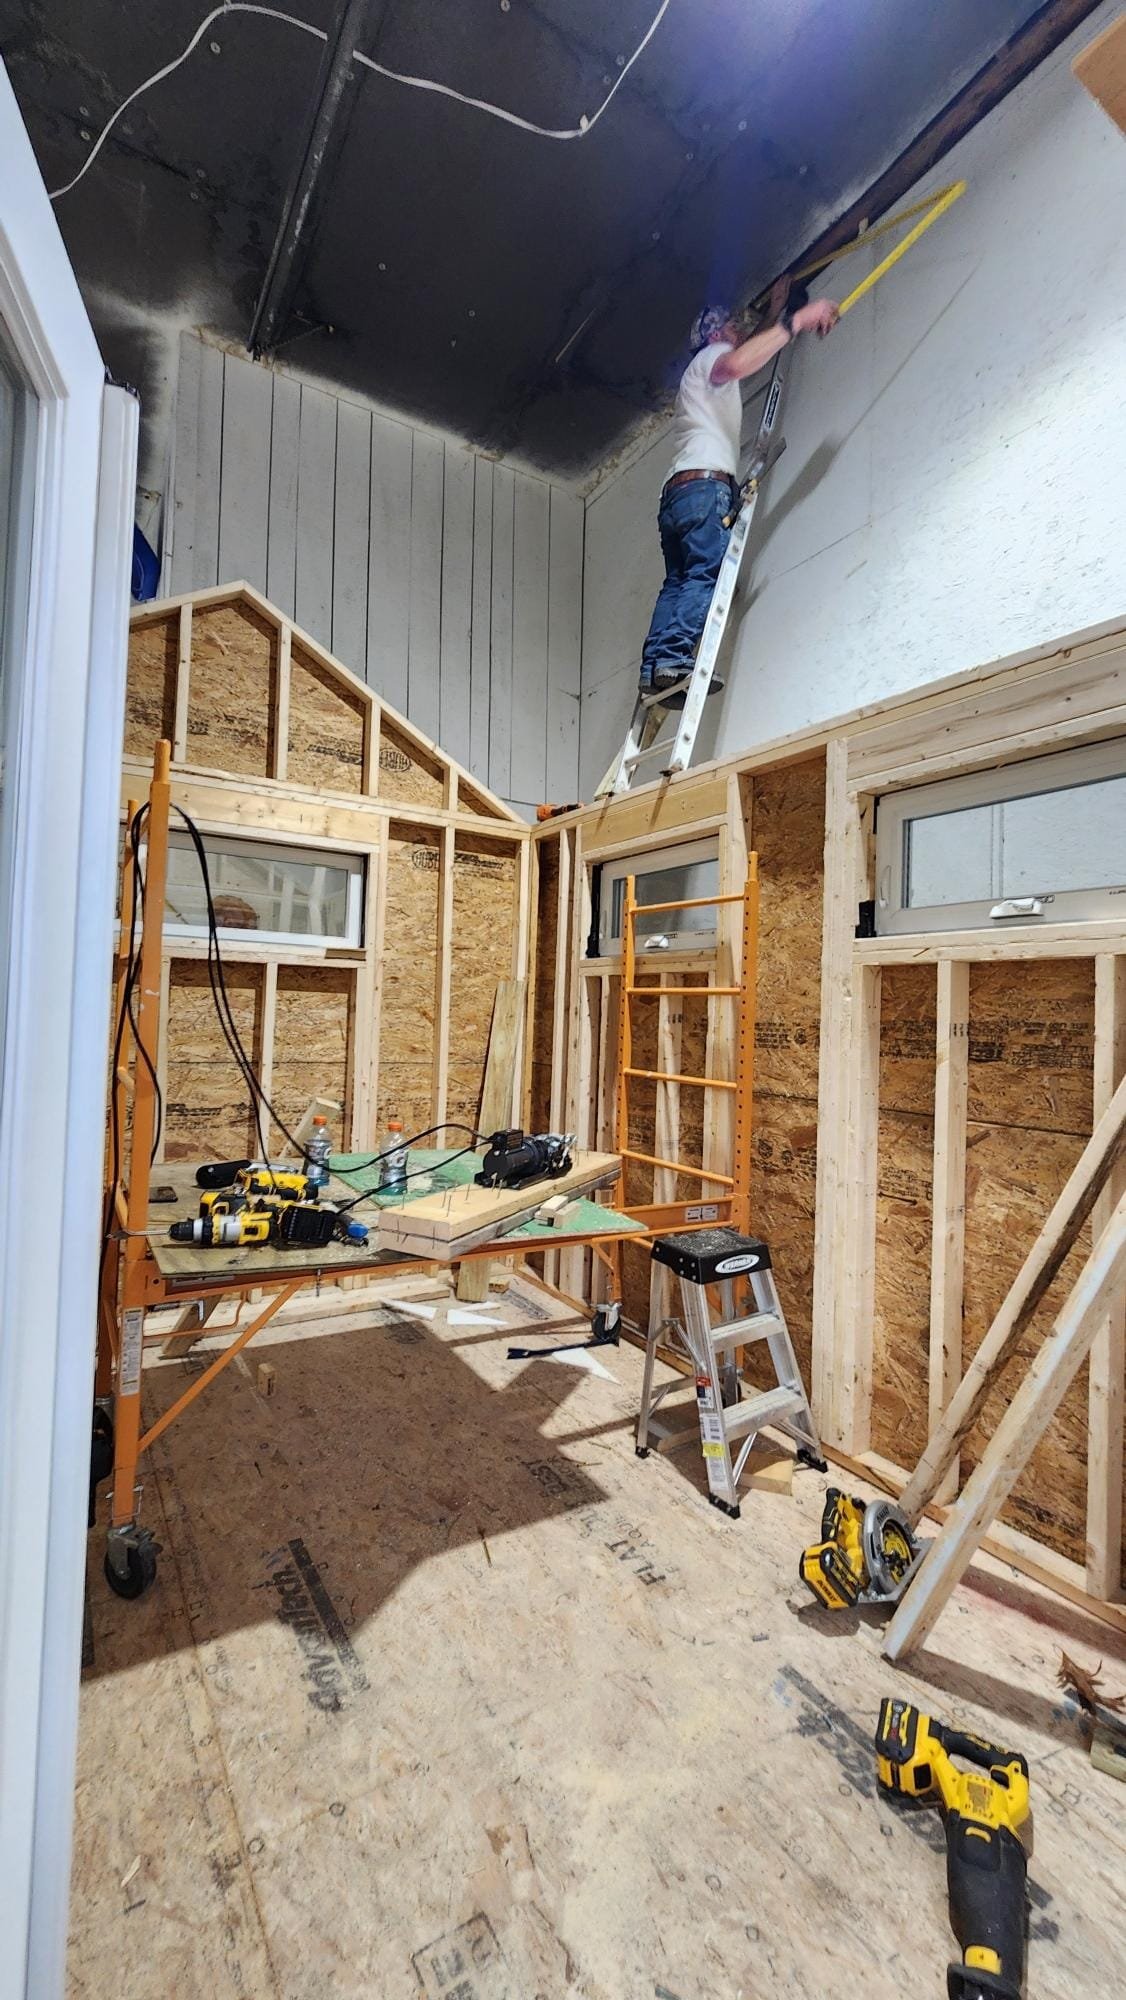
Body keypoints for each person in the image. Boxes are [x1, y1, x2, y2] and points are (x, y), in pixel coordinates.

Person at [638, 287, 840, 701]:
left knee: (678, 582)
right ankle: (673, 658)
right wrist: (797, 320)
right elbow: (735, 362)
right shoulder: (713, 357)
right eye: (732, 326)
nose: (739, 330)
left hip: (676, 495)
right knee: (704, 574)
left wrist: (775, 309)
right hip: (703, 488)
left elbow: (749, 348)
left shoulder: (696, 377)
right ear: (714, 335)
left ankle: (655, 666)